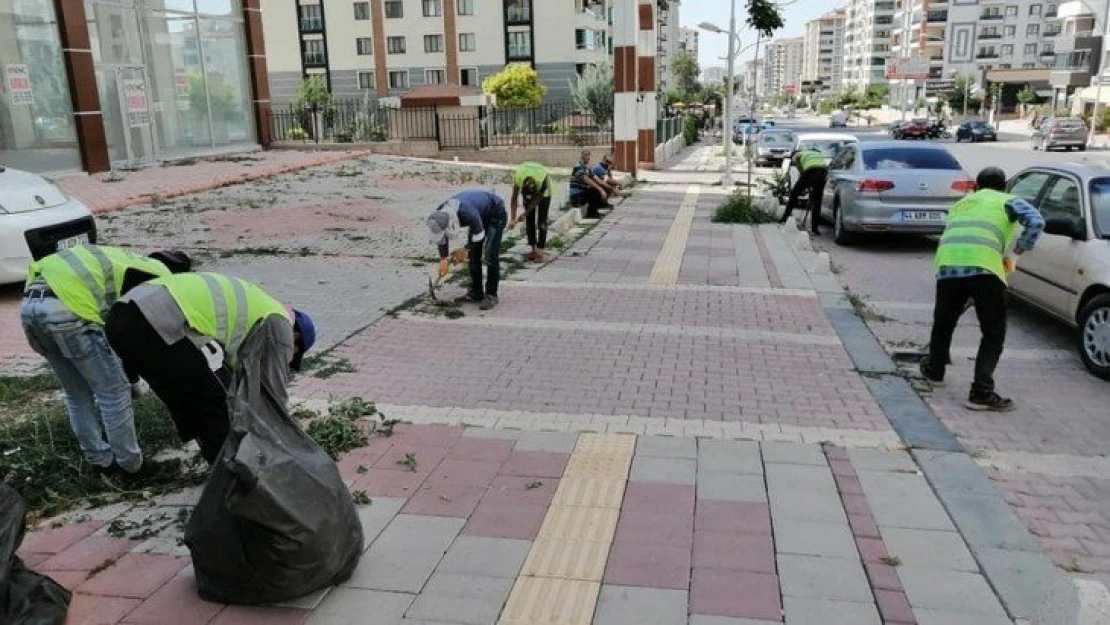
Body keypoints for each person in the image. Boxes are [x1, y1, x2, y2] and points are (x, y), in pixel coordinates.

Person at [104, 273, 316, 463]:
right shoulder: (280, 324)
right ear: (296, 336)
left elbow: (233, 378)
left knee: (191, 402)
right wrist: (288, 447)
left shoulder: (259, 309)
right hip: (152, 318)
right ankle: (234, 477)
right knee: (213, 405)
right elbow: (273, 397)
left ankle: (221, 469)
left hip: (119, 319)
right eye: (292, 355)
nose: (286, 359)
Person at [21, 245, 192, 474]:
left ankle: (99, 460)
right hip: (69, 311)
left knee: (76, 392)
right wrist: (131, 381)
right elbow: (128, 335)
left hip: (31, 308)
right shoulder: (160, 277)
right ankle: (131, 467)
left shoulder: (126, 261)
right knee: (113, 392)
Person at [920, 167, 1045, 411]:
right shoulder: (1007, 200)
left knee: (943, 322)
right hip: (986, 269)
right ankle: (981, 393)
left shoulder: (962, 203)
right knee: (993, 332)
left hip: (948, 266)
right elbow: (1036, 221)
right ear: (1004, 186)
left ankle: (934, 372)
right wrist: (1018, 251)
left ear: (977, 187)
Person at [427, 190, 507, 311]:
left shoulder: (466, 213)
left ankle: (491, 295)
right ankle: (476, 292)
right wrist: (444, 259)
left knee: (490, 254)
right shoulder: (440, 213)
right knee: (474, 256)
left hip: (495, 212)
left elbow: (479, 236)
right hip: (479, 213)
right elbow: (441, 235)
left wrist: (465, 250)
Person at [780, 145, 828, 235]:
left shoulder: (797, 155)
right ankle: (815, 229)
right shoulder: (817, 153)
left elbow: (801, 170)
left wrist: (805, 184)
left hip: (810, 171)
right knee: (817, 202)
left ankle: (784, 218)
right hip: (823, 172)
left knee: (794, 195)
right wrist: (811, 187)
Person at [510, 162, 552, 263]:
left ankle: (540, 251)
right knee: (530, 220)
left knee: (542, 220)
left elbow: (536, 200)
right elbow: (514, 198)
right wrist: (513, 218)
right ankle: (534, 250)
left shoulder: (543, 181)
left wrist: (525, 213)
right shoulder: (518, 177)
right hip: (530, 185)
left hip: (544, 194)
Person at [569, 149, 611, 219]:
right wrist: (600, 190)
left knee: (600, 186)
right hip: (577, 196)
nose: (588, 159)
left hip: (583, 194)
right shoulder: (578, 167)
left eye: (589, 157)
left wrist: (610, 188)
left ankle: (599, 207)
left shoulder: (587, 168)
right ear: (582, 157)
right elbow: (586, 179)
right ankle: (591, 213)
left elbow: (597, 179)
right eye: (587, 157)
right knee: (595, 190)